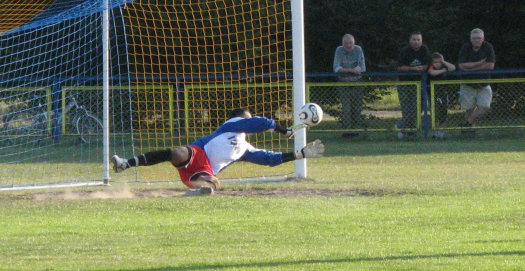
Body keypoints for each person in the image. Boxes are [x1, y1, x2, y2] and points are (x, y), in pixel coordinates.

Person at [111, 108, 325, 195]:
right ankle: (125, 164)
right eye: (246, 118)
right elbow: (259, 123)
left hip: (203, 170)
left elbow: (270, 159)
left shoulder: (245, 149)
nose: (248, 121)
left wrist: (301, 154)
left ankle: (195, 192)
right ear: (239, 118)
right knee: (177, 152)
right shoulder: (230, 125)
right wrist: (283, 130)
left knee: (213, 183)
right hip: (196, 152)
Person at [457, 28, 496, 127]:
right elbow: (461, 66)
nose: (477, 40)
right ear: (471, 39)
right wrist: (479, 63)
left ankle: (467, 124)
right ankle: (469, 131)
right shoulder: (465, 47)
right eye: (474, 38)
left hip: (483, 83)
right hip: (467, 83)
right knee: (469, 109)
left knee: (485, 107)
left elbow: (490, 65)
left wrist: (470, 69)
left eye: (479, 38)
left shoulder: (488, 47)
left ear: (483, 38)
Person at [395, 31, 430, 137]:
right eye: (414, 39)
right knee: (406, 108)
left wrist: (423, 68)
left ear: (421, 41)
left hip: (419, 83)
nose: (416, 42)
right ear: (410, 41)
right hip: (404, 83)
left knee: (418, 107)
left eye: (418, 39)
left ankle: (403, 127)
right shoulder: (405, 51)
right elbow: (399, 67)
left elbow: (428, 64)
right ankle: (408, 131)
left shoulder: (424, 50)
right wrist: (413, 69)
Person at [333, 34, 366, 138]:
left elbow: (362, 67)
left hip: (357, 82)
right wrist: (351, 70)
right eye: (346, 43)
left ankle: (356, 131)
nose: (348, 45)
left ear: (354, 42)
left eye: (350, 42)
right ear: (342, 44)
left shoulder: (358, 50)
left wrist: (348, 70)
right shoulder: (339, 50)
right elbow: (336, 67)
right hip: (343, 83)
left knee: (357, 107)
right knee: (346, 108)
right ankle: (347, 131)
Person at [427, 52, 456, 139]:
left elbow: (453, 68)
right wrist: (443, 70)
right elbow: (432, 72)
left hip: (443, 93)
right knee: (435, 113)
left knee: (443, 113)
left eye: (439, 62)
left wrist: (444, 62)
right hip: (433, 93)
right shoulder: (431, 67)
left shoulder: (444, 66)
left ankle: (441, 132)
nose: (437, 64)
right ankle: (435, 132)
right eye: (435, 62)